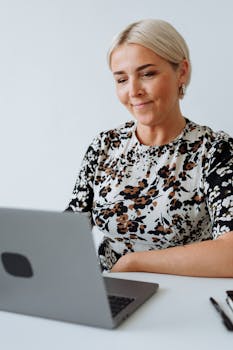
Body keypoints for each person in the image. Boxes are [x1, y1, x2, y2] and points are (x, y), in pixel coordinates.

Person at [66, 19, 233, 277]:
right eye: (121, 79)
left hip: (186, 300)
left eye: (147, 74)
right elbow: (70, 229)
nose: (133, 91)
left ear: (182, 72)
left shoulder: (215, 151)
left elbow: (230, 254)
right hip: (112, 296)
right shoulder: (104, 146)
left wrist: (135, 263)